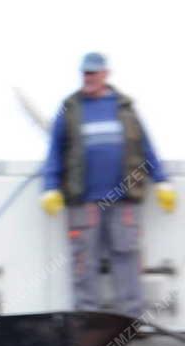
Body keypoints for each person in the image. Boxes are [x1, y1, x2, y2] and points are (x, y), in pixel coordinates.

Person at [40, 52, 176, 316]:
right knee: (84, 262)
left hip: (123, 200)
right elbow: (55, 151)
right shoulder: (70, 109)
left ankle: (129, 321)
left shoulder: (124, 108)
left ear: (105, 74)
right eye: (85, 73)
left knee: (126, 258)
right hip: (85, 201)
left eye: (93, 73)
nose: (88, 78)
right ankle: (86, 321)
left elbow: (145, 146)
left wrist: (162, 181)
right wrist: (49, 187)